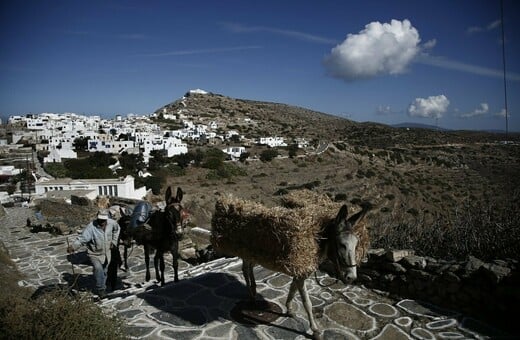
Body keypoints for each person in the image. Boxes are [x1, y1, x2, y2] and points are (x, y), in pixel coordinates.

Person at [67, 209, 120, 298]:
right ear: (97, 218)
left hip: (107, 253)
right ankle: (101, 289)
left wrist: (114, 242)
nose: (102, 222)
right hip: (94, 254)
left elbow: (117, 230)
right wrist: (73, 246)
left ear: (107, 218)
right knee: (98, 268)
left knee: (104, 271)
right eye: (100, 219)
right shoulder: (91, 227)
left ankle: (102, 284)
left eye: (104, 220)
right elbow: (82, 239)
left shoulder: (112, 223)